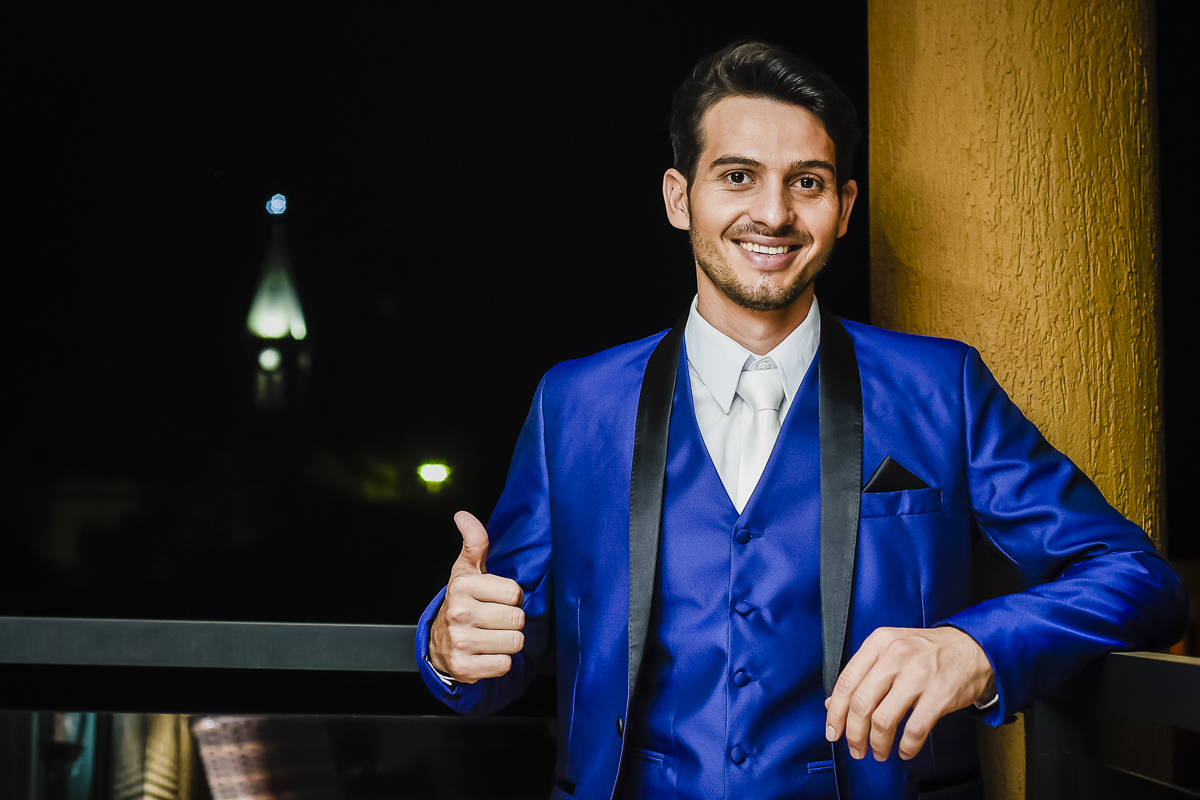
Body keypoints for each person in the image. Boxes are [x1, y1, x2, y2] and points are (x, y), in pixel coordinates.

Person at [414, 40, 1187, 800]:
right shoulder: (575, 405)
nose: (774, 214)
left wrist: (975, 647)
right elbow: (491, 654)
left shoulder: (937, 387)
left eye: (807, 182)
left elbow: (1138, 580)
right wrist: (452, 646)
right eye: (739, 176)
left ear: (844, 207)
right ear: (680, 198)